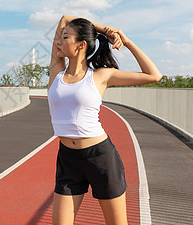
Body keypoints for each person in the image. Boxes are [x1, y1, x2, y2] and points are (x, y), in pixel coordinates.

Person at [47, 15, 162, 225]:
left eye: (65, 38)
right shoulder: (56, 71)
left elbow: (154, 75)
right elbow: (65, 18)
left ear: (81, 45)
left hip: (100, 158)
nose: (58, 41)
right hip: (68, 158)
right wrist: (104, 30)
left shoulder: (101, 76)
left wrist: (125, 41)